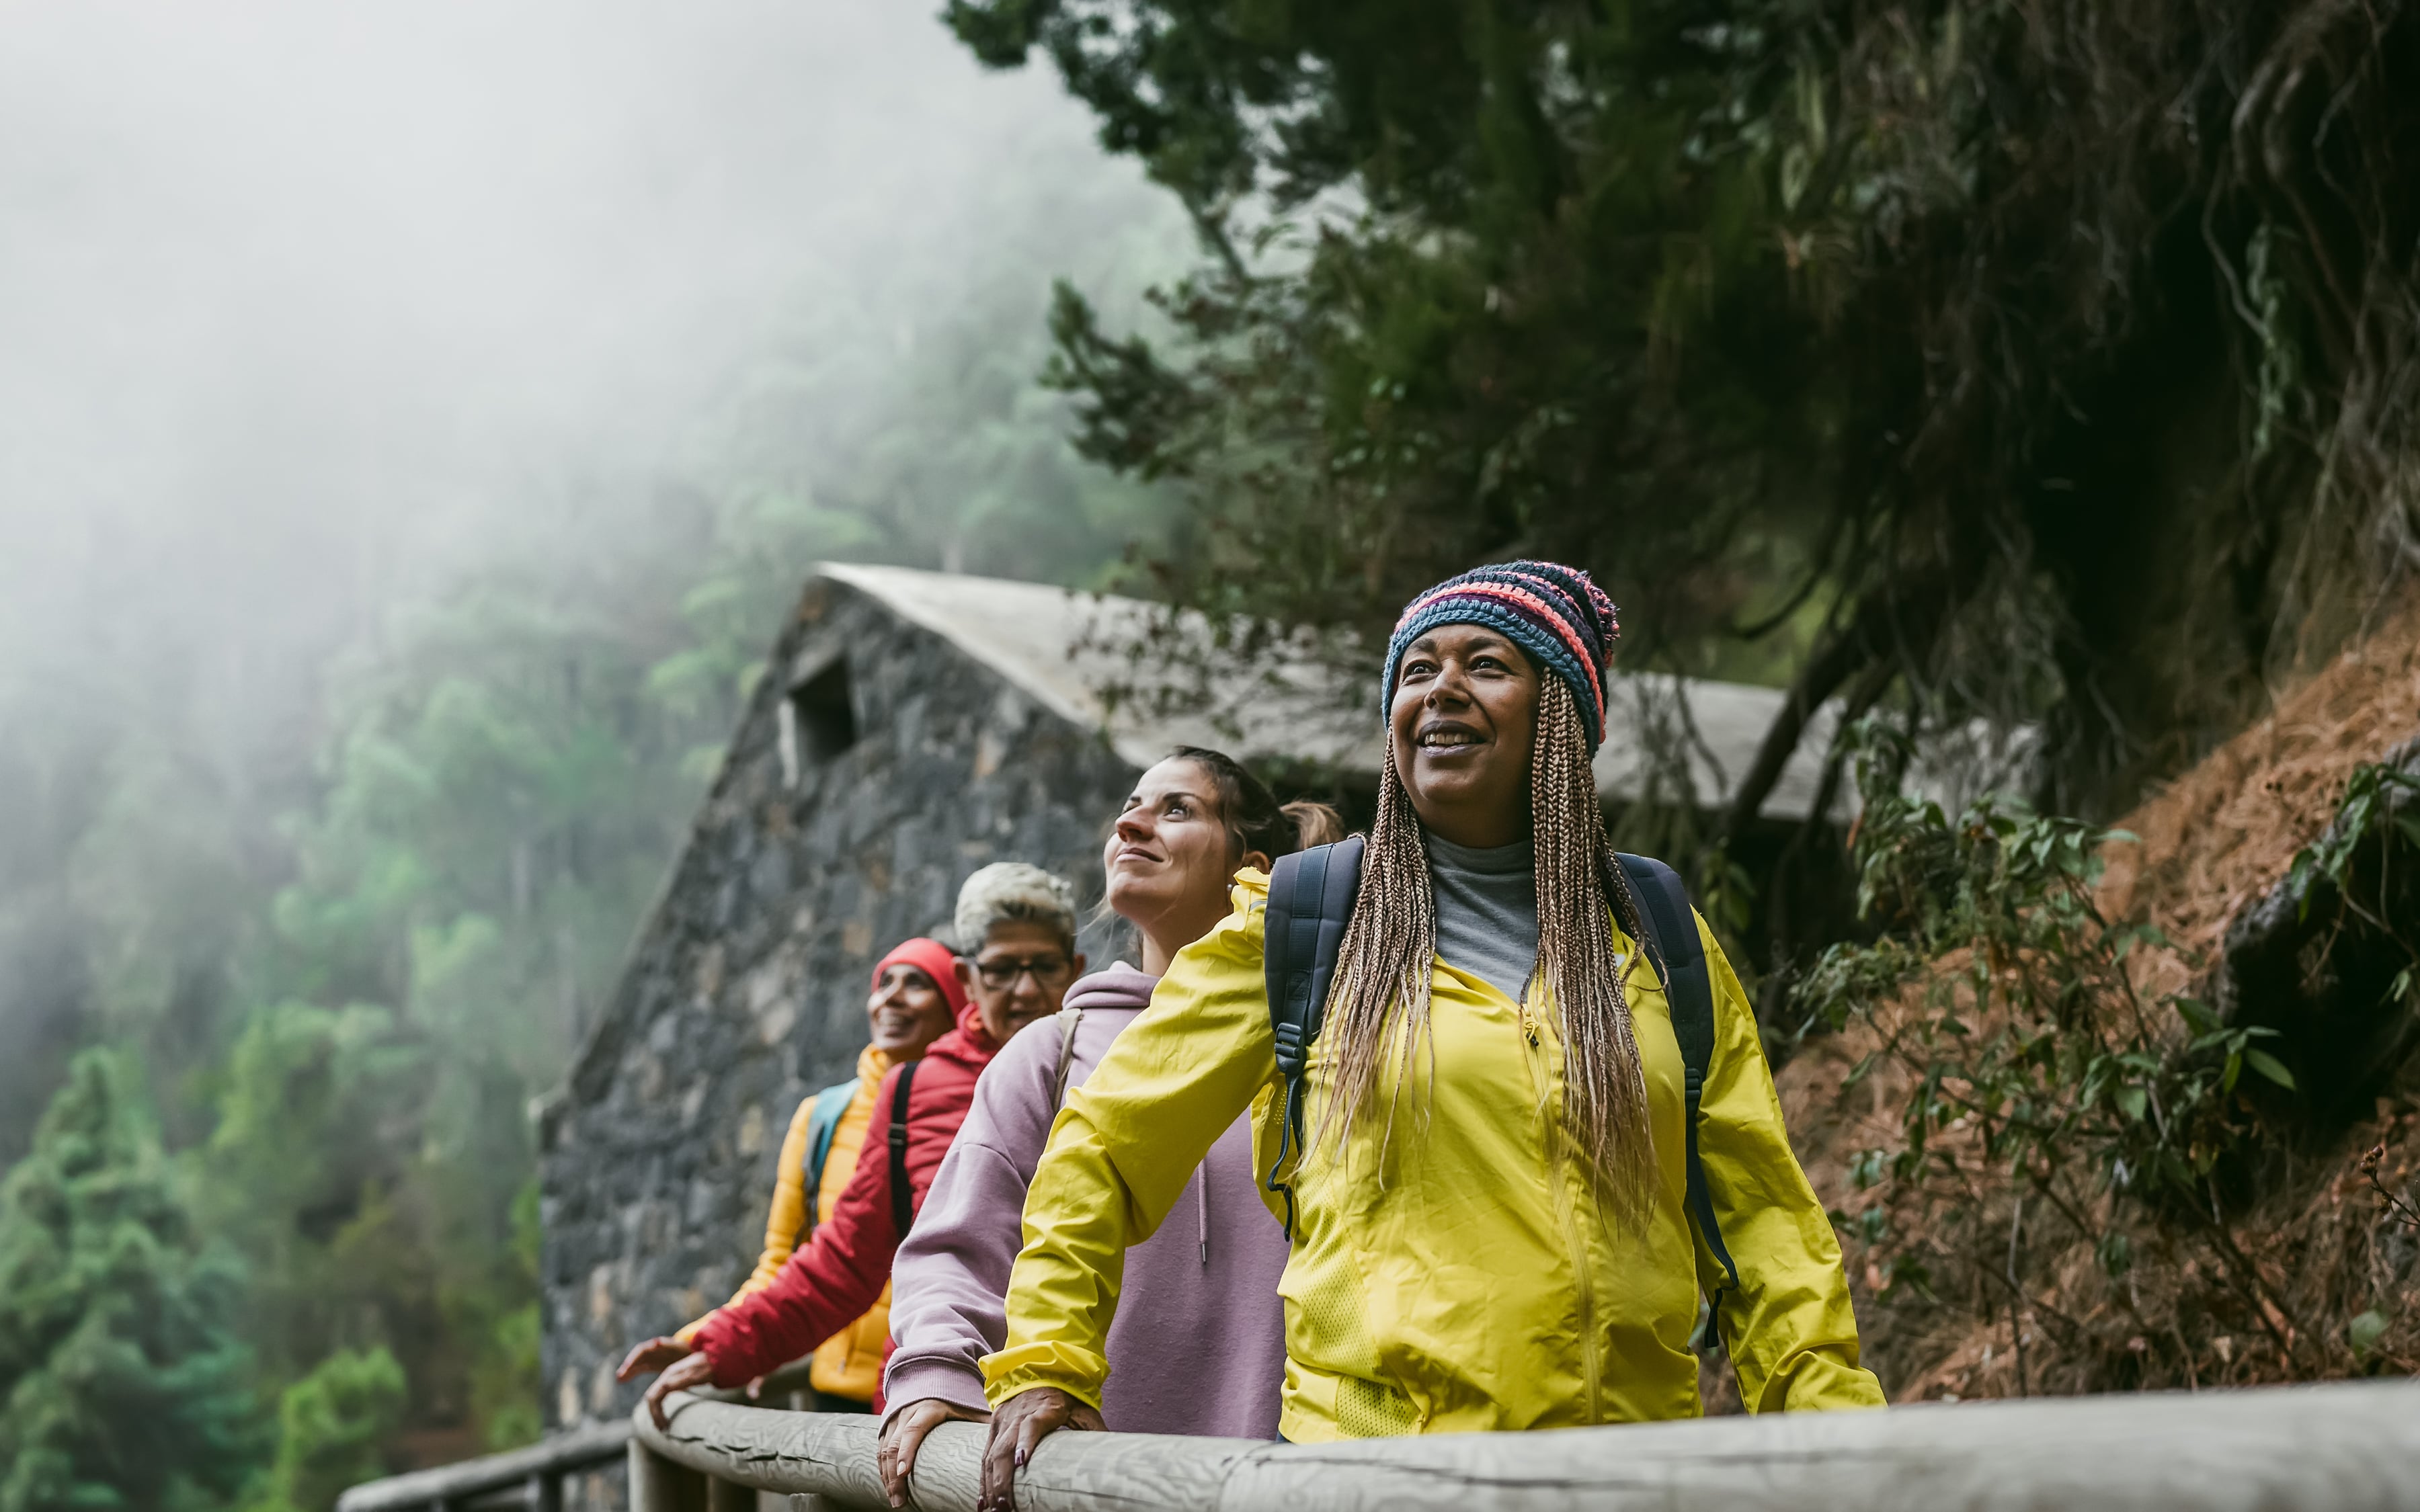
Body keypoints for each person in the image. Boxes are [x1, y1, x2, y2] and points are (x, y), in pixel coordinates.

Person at [977, 562, 1885, 1504]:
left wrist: (1843, 1438)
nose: (1440, 687)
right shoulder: (1307, 921)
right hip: (1376, 1482)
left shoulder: (1656, 937)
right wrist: (1048, 1357)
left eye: (1486, 663)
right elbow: (1103, 1147)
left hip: (1628, 1480)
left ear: (1561, 714)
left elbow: (1765, 1224)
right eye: (1415, 671)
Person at [877, 750, 1341, 1503]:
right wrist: (938, 1376)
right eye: (1131, 805)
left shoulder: (1315, 1039)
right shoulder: (1052, 1053)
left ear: (1249, 867)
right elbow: (959, 1247)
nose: (1131, 823)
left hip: (1289, 1480)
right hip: (1082, 1479)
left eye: (1177, 810)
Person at [624, 863, 1086, 1427]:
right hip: (943, 1407)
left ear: (1076, 969)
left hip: (1081, 1392)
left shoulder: (1110, 1065)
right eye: (1002, 971)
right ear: (967, 981)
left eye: (1045, 967)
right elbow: (843, 1261)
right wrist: (719, 1348)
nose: (1027, 989)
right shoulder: (913, 1093)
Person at [613, 938, 963, 1409]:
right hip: (834, 1398)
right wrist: (706, 1342)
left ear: (957, 1003)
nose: (891, 998)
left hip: (927, 1393)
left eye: (917, 983)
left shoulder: (981, 1106)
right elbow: (784, 1262)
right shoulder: (822, 1116)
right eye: (884, 983)